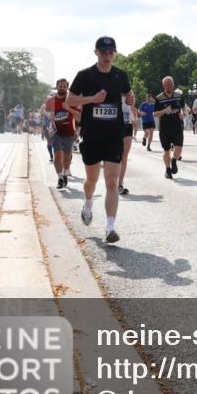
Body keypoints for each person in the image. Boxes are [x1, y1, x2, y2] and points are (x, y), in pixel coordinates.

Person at [65, 37, 130, 243]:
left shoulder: (120, 75)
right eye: (103, 52)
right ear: (96, 53)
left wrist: (130, 98)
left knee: (112, 181)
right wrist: (92, 99)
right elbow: (70, 100)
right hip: (92, 135)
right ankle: (88, 203)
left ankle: (110, 227)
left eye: (111, 53)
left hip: (113, 135)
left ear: (115, 54)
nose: (107, 56)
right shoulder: (85, 76)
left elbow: (129, 94)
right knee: (91, 181)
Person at [44, 79, 82, 189]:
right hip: (56, 132)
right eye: (60, 86)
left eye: (64, 86)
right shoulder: (51, 101)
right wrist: (48, 115)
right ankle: (60, 178)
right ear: (56, 87)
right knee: (57, 155)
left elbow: (79, 115)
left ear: (67, 88)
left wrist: (68, 108)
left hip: (69, 132)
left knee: (67, 156)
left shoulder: (71, 100)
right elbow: (46, 112)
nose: (62, 88)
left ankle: (65, 173)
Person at [154, 76, 187, 179]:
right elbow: (155, 114)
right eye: (167, 84)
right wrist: (164, 111)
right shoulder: (159, 98)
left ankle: (174, 160)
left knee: (179, 147)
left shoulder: (179, 95)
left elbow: (183, 108)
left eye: (170, 84)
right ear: (163, 85)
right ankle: (168, 170)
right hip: (165, 128)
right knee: (166, 150)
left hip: (177, 126)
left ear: (173, 84)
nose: (169, 86)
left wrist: (183, 114)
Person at [118, 91, 138, 195]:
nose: (132, 99)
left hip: (127, 126)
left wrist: (134, 120)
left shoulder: (129, 93)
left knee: (124, 155)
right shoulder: (115, 94)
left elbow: (132, 109)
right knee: (115, 156)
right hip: (115, 127)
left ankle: (120, 184)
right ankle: (113, 181)